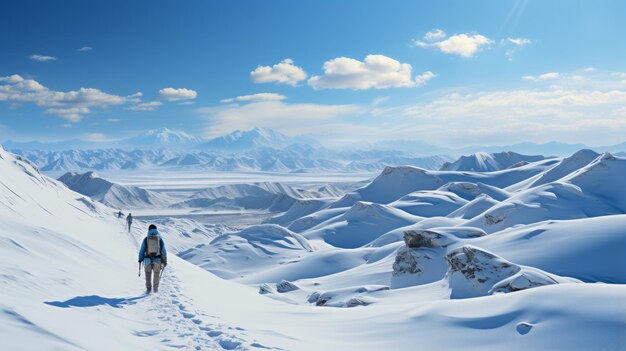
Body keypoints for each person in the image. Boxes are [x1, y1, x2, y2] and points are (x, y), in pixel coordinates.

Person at [138, 224, 167, 293]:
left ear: (148, 230)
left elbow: (142, 250)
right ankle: (155, 290)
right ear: (156, 230)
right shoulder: (159, 239)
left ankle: (148, 290)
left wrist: (140, 259)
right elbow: (164, 251)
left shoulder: (146, 239)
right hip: (157, 260)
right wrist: (164, 260)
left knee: (148, 274)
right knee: (156, 274)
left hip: (147, 259)